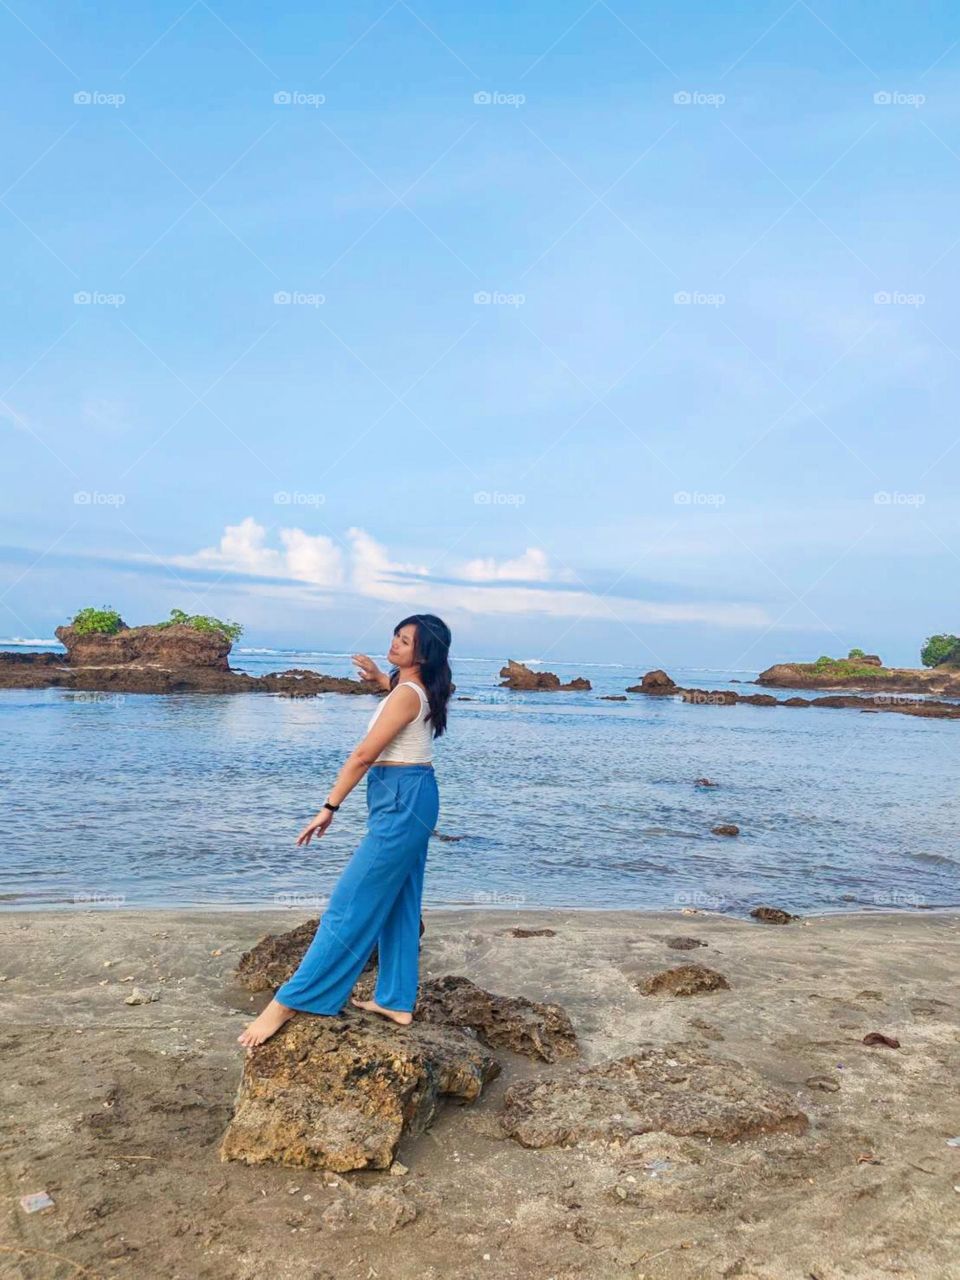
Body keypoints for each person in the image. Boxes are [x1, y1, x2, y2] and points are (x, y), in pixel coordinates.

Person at [237, 614, 452, 1048]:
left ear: (423, 653)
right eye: (395, 636)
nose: (394, 645)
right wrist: (378, 678)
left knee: (348, 904)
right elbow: (400, 702)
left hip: (402, 797)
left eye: (405, 641)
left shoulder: (407, 694)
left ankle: (291, 1001)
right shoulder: (416, 690)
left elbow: (362, 755)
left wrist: (329, 807)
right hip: (412, 793)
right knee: (399, 901)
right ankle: (395, 999)